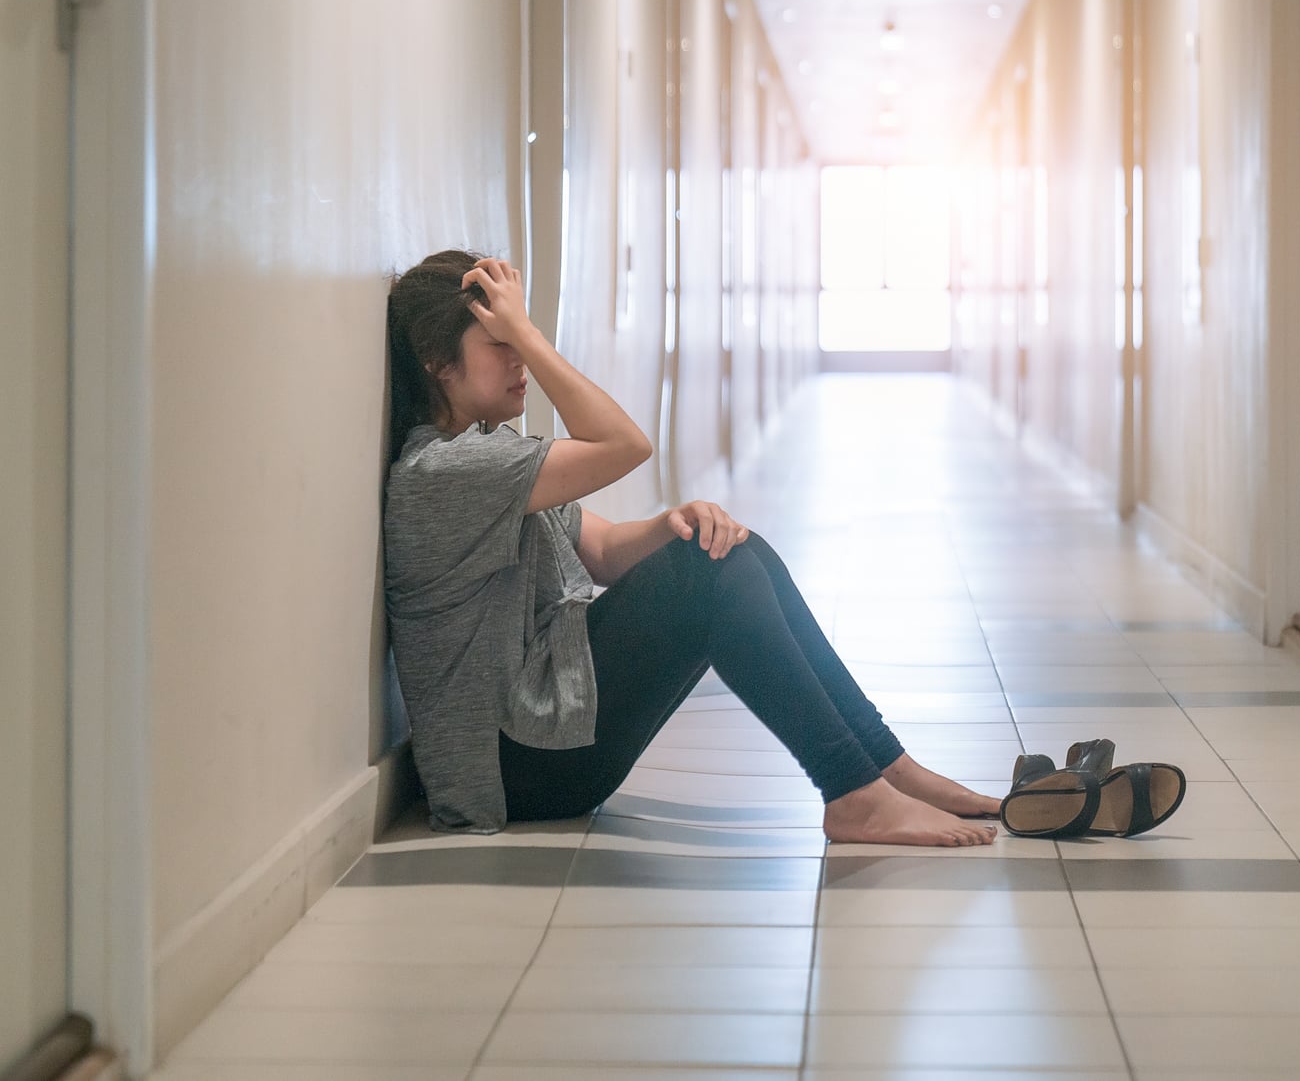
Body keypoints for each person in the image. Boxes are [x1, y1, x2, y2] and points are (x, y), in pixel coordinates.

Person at [382, 250, 1000, 846]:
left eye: (522, 340)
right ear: (438, 362)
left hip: (541, 737)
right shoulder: (443, 471)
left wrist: (673, 523)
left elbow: (601, 548)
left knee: (728, 544)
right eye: (503, 344)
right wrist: (533, 339)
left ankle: (885, 766)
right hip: (514, 766)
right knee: (710, 570)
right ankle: (855, 793)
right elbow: (625, 443)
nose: (520, 358)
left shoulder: (487, 456)